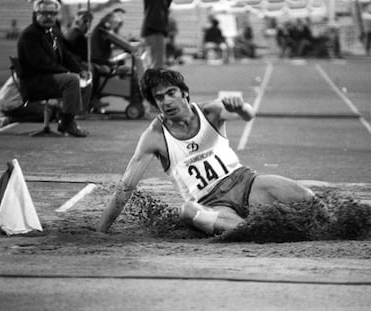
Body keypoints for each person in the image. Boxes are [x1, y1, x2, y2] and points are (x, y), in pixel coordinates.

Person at [97, 68, 314, 234]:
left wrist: (240, 107)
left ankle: (331, 227)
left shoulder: (211, 111)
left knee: (305, 198)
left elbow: (249, 115)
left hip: (246, 184)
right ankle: (254, 232)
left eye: (171, 93)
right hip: (212, 206)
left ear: (184, 94)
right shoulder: (154, 137)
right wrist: (100, 231)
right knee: (187, 211)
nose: (167, 101)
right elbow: (125, 188)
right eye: (160, 97)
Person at [17, 0, 91, 137]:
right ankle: (66, 123)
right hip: (36, 81)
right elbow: (40, 63)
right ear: (36, 14)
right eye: (45, 13)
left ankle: (71, 117)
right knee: (71, 80)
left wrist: (80, 70)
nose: (49, 17)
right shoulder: (30, 35)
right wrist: (66, 72)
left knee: (85, 78)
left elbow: (66, 55)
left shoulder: (51, 32)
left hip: (49, 78)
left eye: (52, 13)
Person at [141, 0, 172, 69]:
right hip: (154, 30)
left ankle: (150, 79)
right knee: (157, 66)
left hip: (152, 30)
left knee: (152, 64)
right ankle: (154, 79)